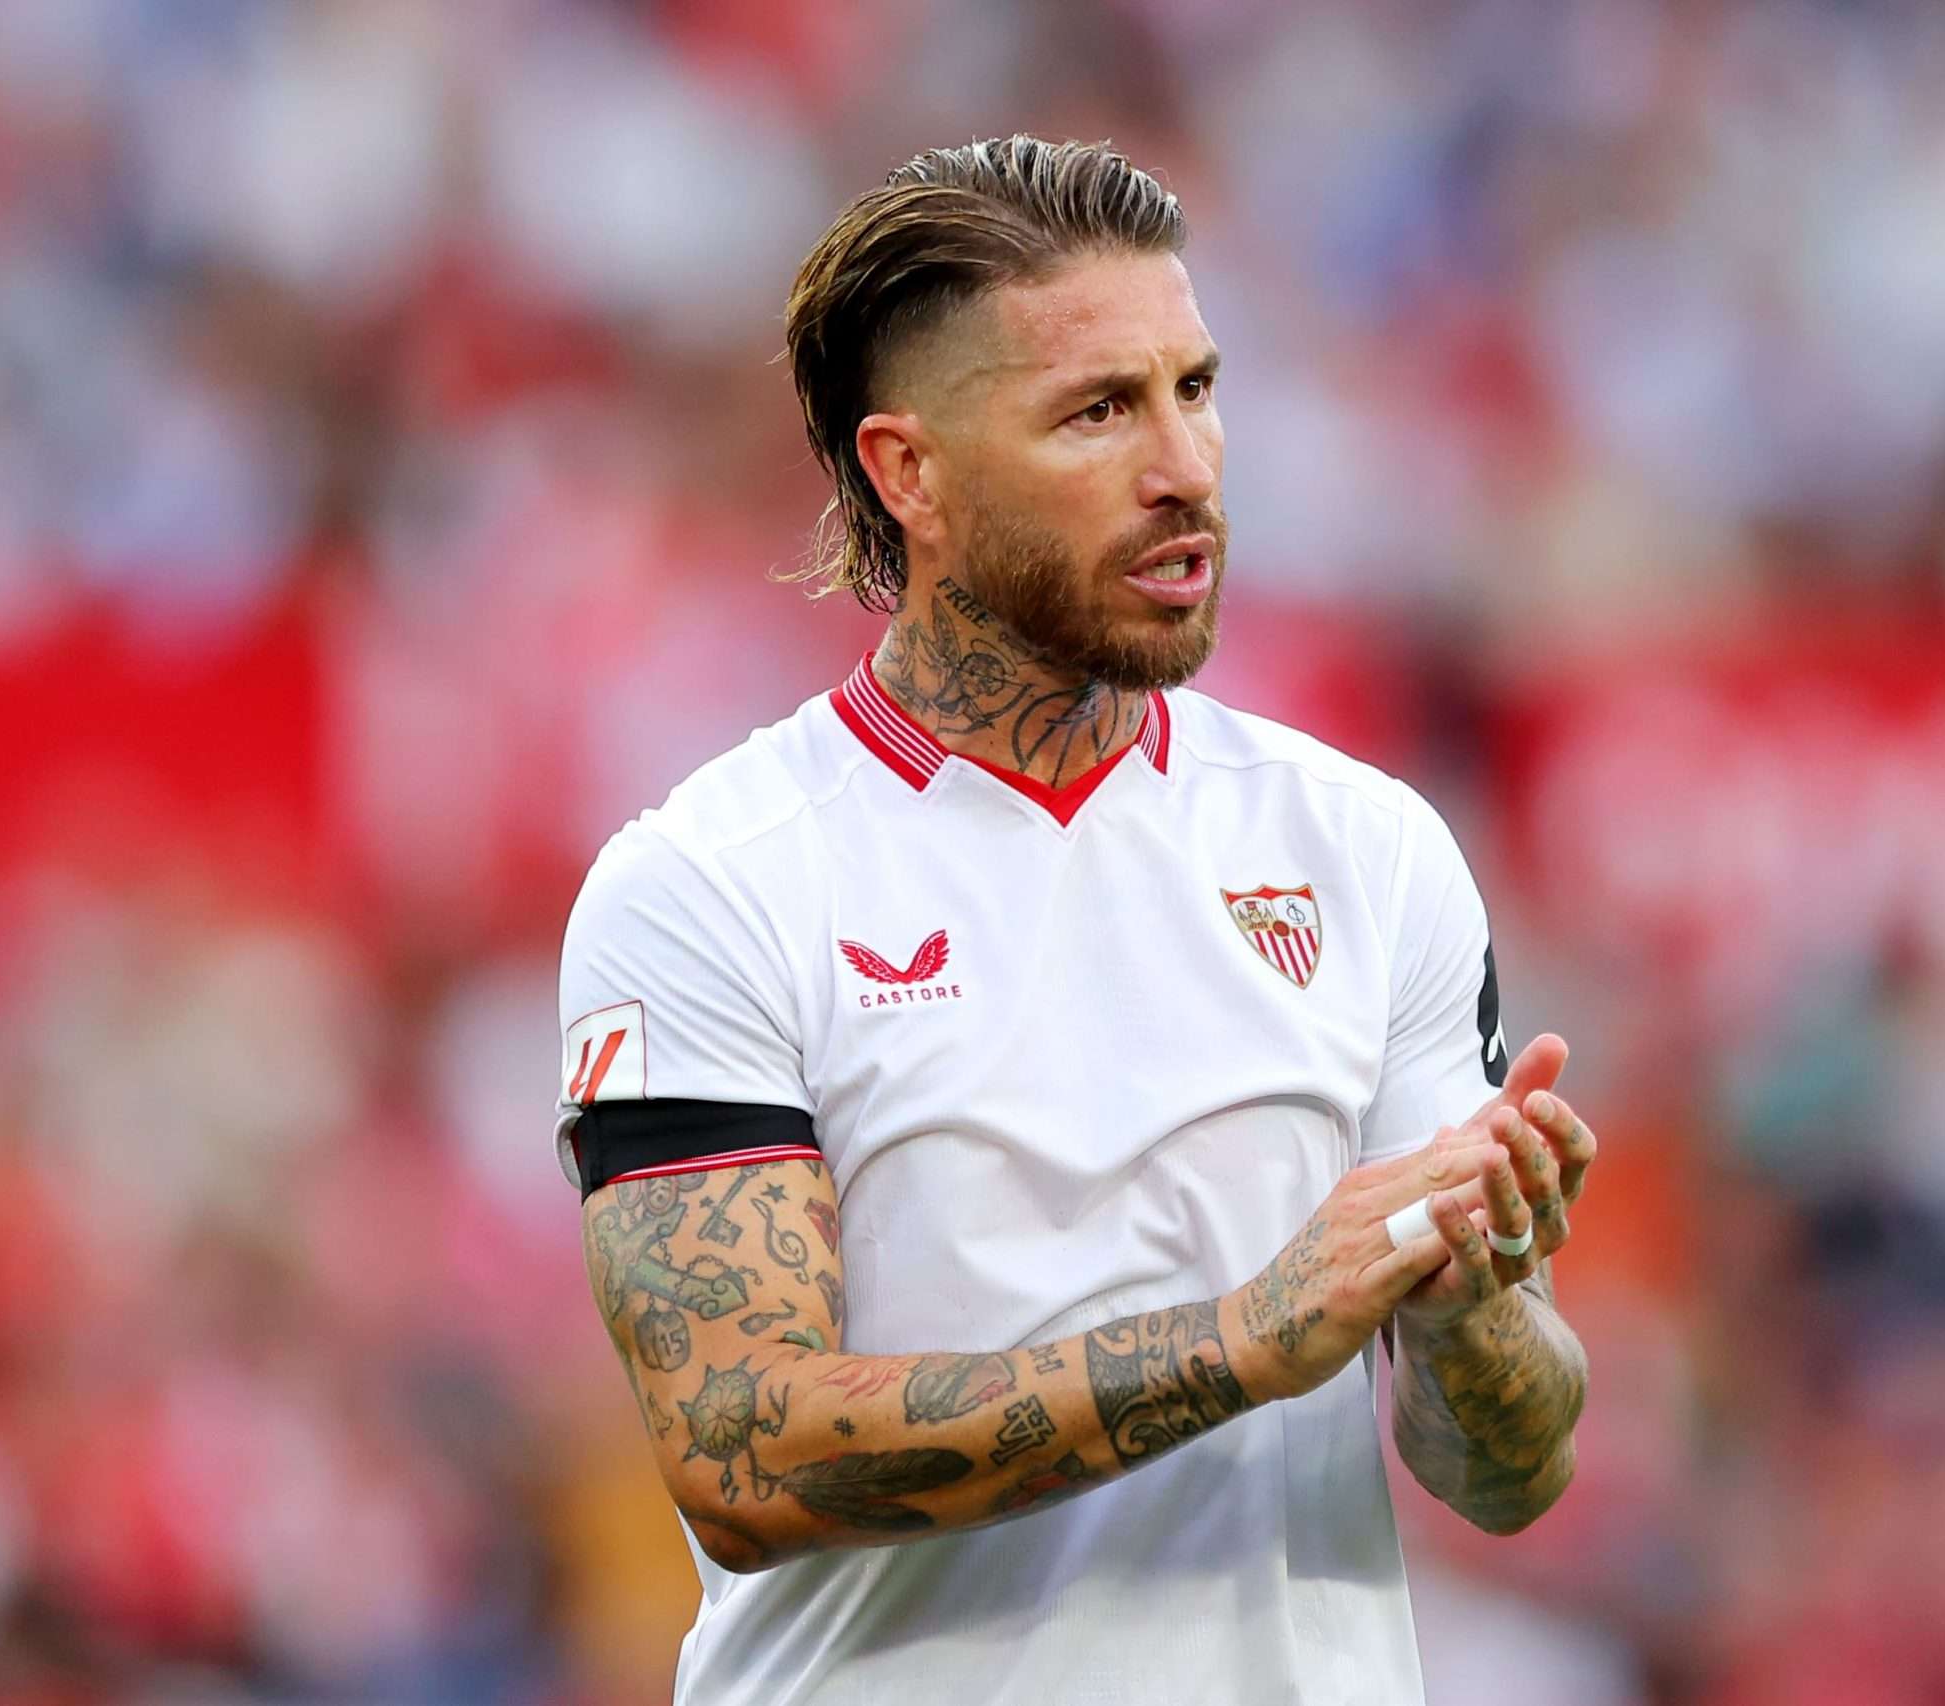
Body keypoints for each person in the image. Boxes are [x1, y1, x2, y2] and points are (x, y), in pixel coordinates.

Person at [554, 135, 1595, 1706]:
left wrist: (1469, 1314)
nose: (1184, 465)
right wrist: (1250, 1334)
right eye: (1099, 411)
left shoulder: (1366, 850)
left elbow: (1506, 1469)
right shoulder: (713, 885)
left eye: (1196, 386)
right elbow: (741, 1451)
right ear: (913, 475)